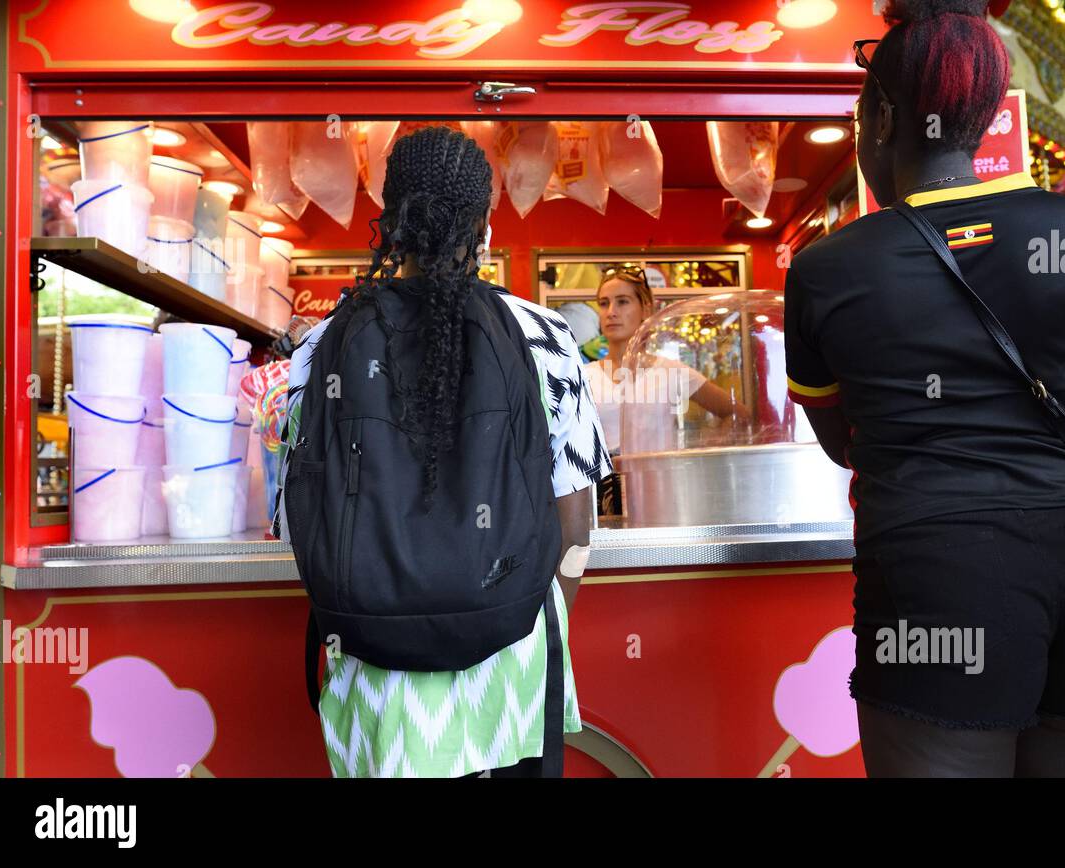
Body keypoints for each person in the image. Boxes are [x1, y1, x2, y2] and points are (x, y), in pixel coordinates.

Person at [784, 0, 1065, 777]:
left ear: (881, 117)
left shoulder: (828, 269)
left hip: (933, 578)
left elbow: (841, 441)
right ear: (986, 113)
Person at [275, 127, 611, 778]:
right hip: (512, 663)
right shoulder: (547, 337)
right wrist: (533, 617)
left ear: (391, 223)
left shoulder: (320, 347)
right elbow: (575, 519)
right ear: (484, 224)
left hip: (374, 671)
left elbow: (295, 518)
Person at [583, 265, 745, 511]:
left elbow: (737, 414)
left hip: (662, 490)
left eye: (623, 301)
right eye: (604, 303)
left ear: (645, 309)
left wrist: (698, 454)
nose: (611, 312)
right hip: (603, 499)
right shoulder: (584, 376)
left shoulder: (671, 371)